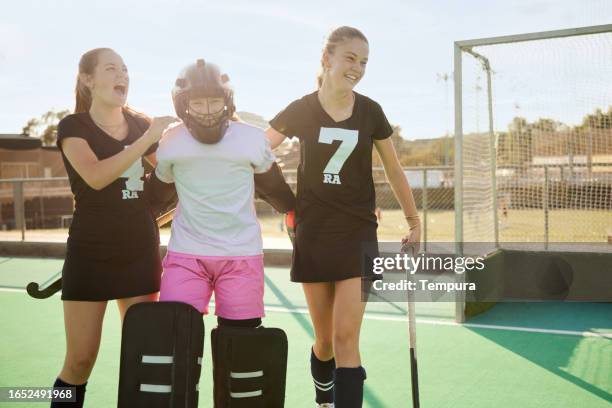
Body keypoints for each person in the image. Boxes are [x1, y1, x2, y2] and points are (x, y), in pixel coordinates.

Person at [266, 26, 421, 408]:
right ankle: (324, 394)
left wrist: (414, 220)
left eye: (364, 61)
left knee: (346, 338)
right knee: (325, 343)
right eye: (350, 57)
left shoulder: (370, 111)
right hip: (314, 231)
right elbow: (256, 152)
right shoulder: (301, 109)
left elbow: (394, 169)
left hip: (357, 231)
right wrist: (287, 203)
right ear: (327, 59)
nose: (357, 67)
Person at [153, 59, 294, 405]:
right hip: (187, 256)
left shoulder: (250, 139)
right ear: (182, 105)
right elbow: (154, 200)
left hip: (241, 257)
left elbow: (279, 193)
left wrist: (308, 216)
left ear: (228, 101)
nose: (206, 110)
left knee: (240, 347)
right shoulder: (171, 140)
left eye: (214, 101)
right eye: (197, 102)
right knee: (179, 343)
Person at [50, 47, 176, 407]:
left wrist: (151, 216)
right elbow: (96, 176)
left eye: (124, 69)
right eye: (111, 68)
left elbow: (174, 179)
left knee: (143, 358)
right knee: (79, 362)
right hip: (90, 255)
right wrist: (147, 138)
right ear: (88, 79)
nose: (122, 75)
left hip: (140, 253)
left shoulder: (140, 126)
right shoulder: (74, 126)